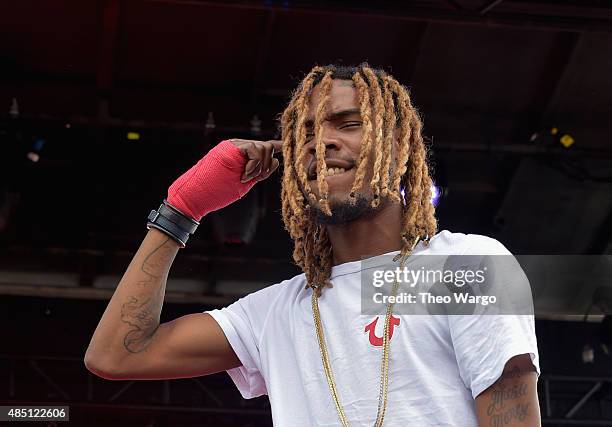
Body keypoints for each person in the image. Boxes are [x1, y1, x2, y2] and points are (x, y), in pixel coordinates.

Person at [85, 64, 541, 426]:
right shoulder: (275, 312)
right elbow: (116, 355)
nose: (321, 142)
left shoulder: (468, 263)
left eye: (349, 124)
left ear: (399, 145)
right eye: (303, 133)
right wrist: (180, 211)